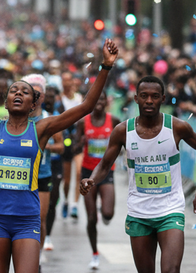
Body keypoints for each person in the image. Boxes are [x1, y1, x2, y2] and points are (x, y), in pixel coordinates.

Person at [0, 18, 118, 273]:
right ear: (6, 101)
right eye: (13, 91)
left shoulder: (41, 129)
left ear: (33, 104)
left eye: (25, 92)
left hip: (26, 220)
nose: (18, 93)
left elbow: (85, 106)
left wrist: (105, 67)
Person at [80, 76, 196, 273]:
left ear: (163, 98)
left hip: (170, 210)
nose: (149, 101)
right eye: (144, 96)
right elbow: (105, 164)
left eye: (155, 96)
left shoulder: (177, 127)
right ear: (136, 99)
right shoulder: (123, 130)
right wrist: (92, 179)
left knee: (171, 270)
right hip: (139, 213)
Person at [74, 91, 119, 269]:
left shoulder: (114, 120)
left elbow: (122, 142)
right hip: (87, 173)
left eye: (102, 99)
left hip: (107, 171)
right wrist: (80, 141)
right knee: (91, 218)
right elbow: (74, 146)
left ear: (106, 102)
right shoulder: (82, 123)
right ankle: (94, 254)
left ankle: (105, 212)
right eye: (96, 99)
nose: (99, 102)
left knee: (108, 214)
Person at [21, 75, 63, 256]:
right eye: (32, 93)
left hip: (43, 174)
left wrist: (46, 145)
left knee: (39, 220)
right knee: (22, 219)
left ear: (44, 96)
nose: (36, 97)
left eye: (39, 93)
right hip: (21, 176)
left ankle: (35, 259)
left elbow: (61, 146)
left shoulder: (50, 119)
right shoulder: (19, 118)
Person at [40, 86, 64, 252]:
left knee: (51, 204)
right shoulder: (29, 116)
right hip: (34, 169)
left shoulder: (55, 116)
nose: (47, 99)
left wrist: (49, 147)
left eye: (50, 96)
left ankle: (46, 237)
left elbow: (62, 146)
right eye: (44, 96)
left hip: (52, 166)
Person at [61, 71, 84, 220]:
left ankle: (75, 204)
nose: (67, 84)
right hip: (65, 141)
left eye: (70, 81)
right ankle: (65, 200)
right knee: (67, 179)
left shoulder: (79, 99)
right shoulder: (59, 99)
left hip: (77, 140)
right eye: (65, 81)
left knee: (79, 172)